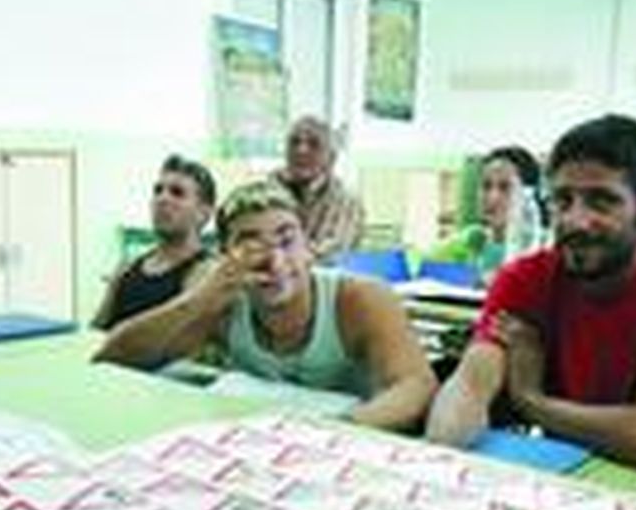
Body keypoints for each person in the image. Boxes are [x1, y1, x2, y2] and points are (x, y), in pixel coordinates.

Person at [425, 115, 636, 468]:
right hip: (560, 474)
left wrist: (530, 401)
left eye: (601, 202)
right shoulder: (524, 279)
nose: (575, 219)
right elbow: (467, 391)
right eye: (562, 200)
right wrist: (438, 458)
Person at [94, 180, 435, 432]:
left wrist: (334, 430)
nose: (275, 260)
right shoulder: (224, 303)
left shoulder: (359, 298)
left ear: (308, 248)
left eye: (287, 240)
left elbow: (415, 386)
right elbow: (115, 355)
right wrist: (196, 301)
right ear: (226, 256)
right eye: (250, 244)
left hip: (344, 441)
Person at [92, 155, 216, 330]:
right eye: (158, 190)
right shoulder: (127, 268)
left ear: (203, 213)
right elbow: (97, 331)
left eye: (177, 193)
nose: (162, 199)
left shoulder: (206, 272)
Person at [427, 145, 546, 282]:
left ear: (528, 195)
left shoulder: (542, 249)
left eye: (505, 187)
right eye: (486, 186)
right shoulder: (469, 241)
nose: (492, 197)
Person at [273, 116, 365, 261]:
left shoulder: (346, 201)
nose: (301, 150)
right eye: (294, 142)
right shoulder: (268, 191)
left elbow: (331, 253)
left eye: (314, 144)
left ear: (331, 158)